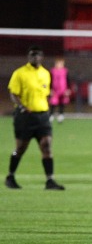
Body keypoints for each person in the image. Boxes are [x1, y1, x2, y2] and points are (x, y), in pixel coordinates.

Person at [5, 46, 64, 190]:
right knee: (20, 148)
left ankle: (50, 180)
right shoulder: (20, 73)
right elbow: (13, 93)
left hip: (42, 116)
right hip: (25, 116)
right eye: (32, 55)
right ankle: (10, 177)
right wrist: (22, 106)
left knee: (46, 146)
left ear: (42, 57)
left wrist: (47, 101)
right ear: (28, 57)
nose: (35, 58)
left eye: (37, 55)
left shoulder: (45, 73)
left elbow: (45, 92)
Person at [49, 57, 71, 123]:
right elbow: (50, 80)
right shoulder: (52, 71)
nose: (59, 65)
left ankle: (61, 115)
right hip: (55, 90)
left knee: (62, 103)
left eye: (61, 64)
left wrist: (68, 89)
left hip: (63, 89)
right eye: (58, 63)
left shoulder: (65, 71)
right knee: (53, 102)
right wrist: (50, 89)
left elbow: (68, 80)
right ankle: (51, 115)